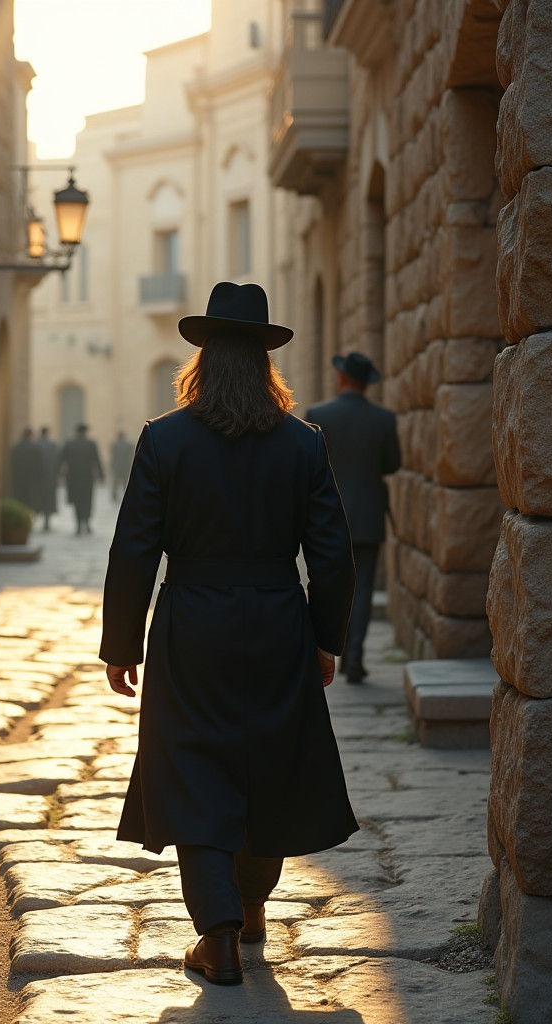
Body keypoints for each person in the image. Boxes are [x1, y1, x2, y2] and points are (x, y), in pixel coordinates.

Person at [100, 282, 357, 986]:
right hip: (278, 620)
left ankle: (216, 935)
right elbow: (334, 555)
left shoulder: (164, 439)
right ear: (265, 364)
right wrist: (325, 637)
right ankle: (248, 909)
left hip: (191, 627)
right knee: (267, 764)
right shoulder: (303, 445)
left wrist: (122, 644)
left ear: (203, 361)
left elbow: (133, 550)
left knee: (194, 770)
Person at [306, 352, 400, 684]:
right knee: (361, 591)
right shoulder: (384, 419)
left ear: (341, 378)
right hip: (368, 516)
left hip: (325, 519)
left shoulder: (318, 416)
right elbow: (392, 464)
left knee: (328, 581)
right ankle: (355, 657)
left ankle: (328, 648)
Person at [58, 423, 104, 535]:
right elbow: (97, 460)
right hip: (87, 477)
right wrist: (101, 475)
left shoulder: (69, 444)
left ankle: (78, 524)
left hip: (73, 477)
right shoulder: (91, 444)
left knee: (77, 501)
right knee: (87, 500)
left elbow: (61, 460)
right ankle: (87, 523)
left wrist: (59, 474)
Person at [33, 426, 60, 532]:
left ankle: (35, 520)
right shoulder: (52, 445)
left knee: (38, 499)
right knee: (48, 500)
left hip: (38, 478)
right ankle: (47, 522)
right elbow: (57, 462)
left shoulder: (35, 445)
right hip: (50, 478)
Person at [8, 427, 40, 511]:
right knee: (30, 501)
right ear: (31, 435)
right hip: (31, 480)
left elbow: (12, 463)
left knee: (19, 500)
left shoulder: (16, 448)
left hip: (18, 479)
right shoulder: (35, 448)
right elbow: (38, 465)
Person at [109, 430, 135, 502]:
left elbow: (113, 457)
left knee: (116, 483)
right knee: (125, 482)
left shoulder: (114, 445)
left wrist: (111, 466)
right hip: (126, 466)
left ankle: (114, 496)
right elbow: (131, 456)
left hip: (117, 467)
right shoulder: (129, 445)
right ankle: (127, 496)